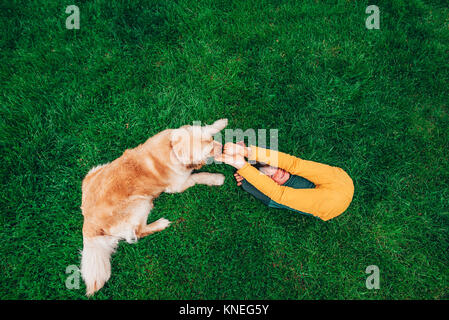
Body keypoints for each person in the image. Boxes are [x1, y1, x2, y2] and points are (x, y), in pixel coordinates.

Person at [215, 142, 354, 221]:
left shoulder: (325, 203)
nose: (279, 172)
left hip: (329, 203)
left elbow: (279, 194)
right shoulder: (337, 179)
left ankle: (250, 176)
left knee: (277, 197)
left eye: (278, 169)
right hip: (341, 182)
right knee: (287, 173)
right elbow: (293, 164)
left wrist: (243, 162)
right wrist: (246, 153)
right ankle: (251, 173)